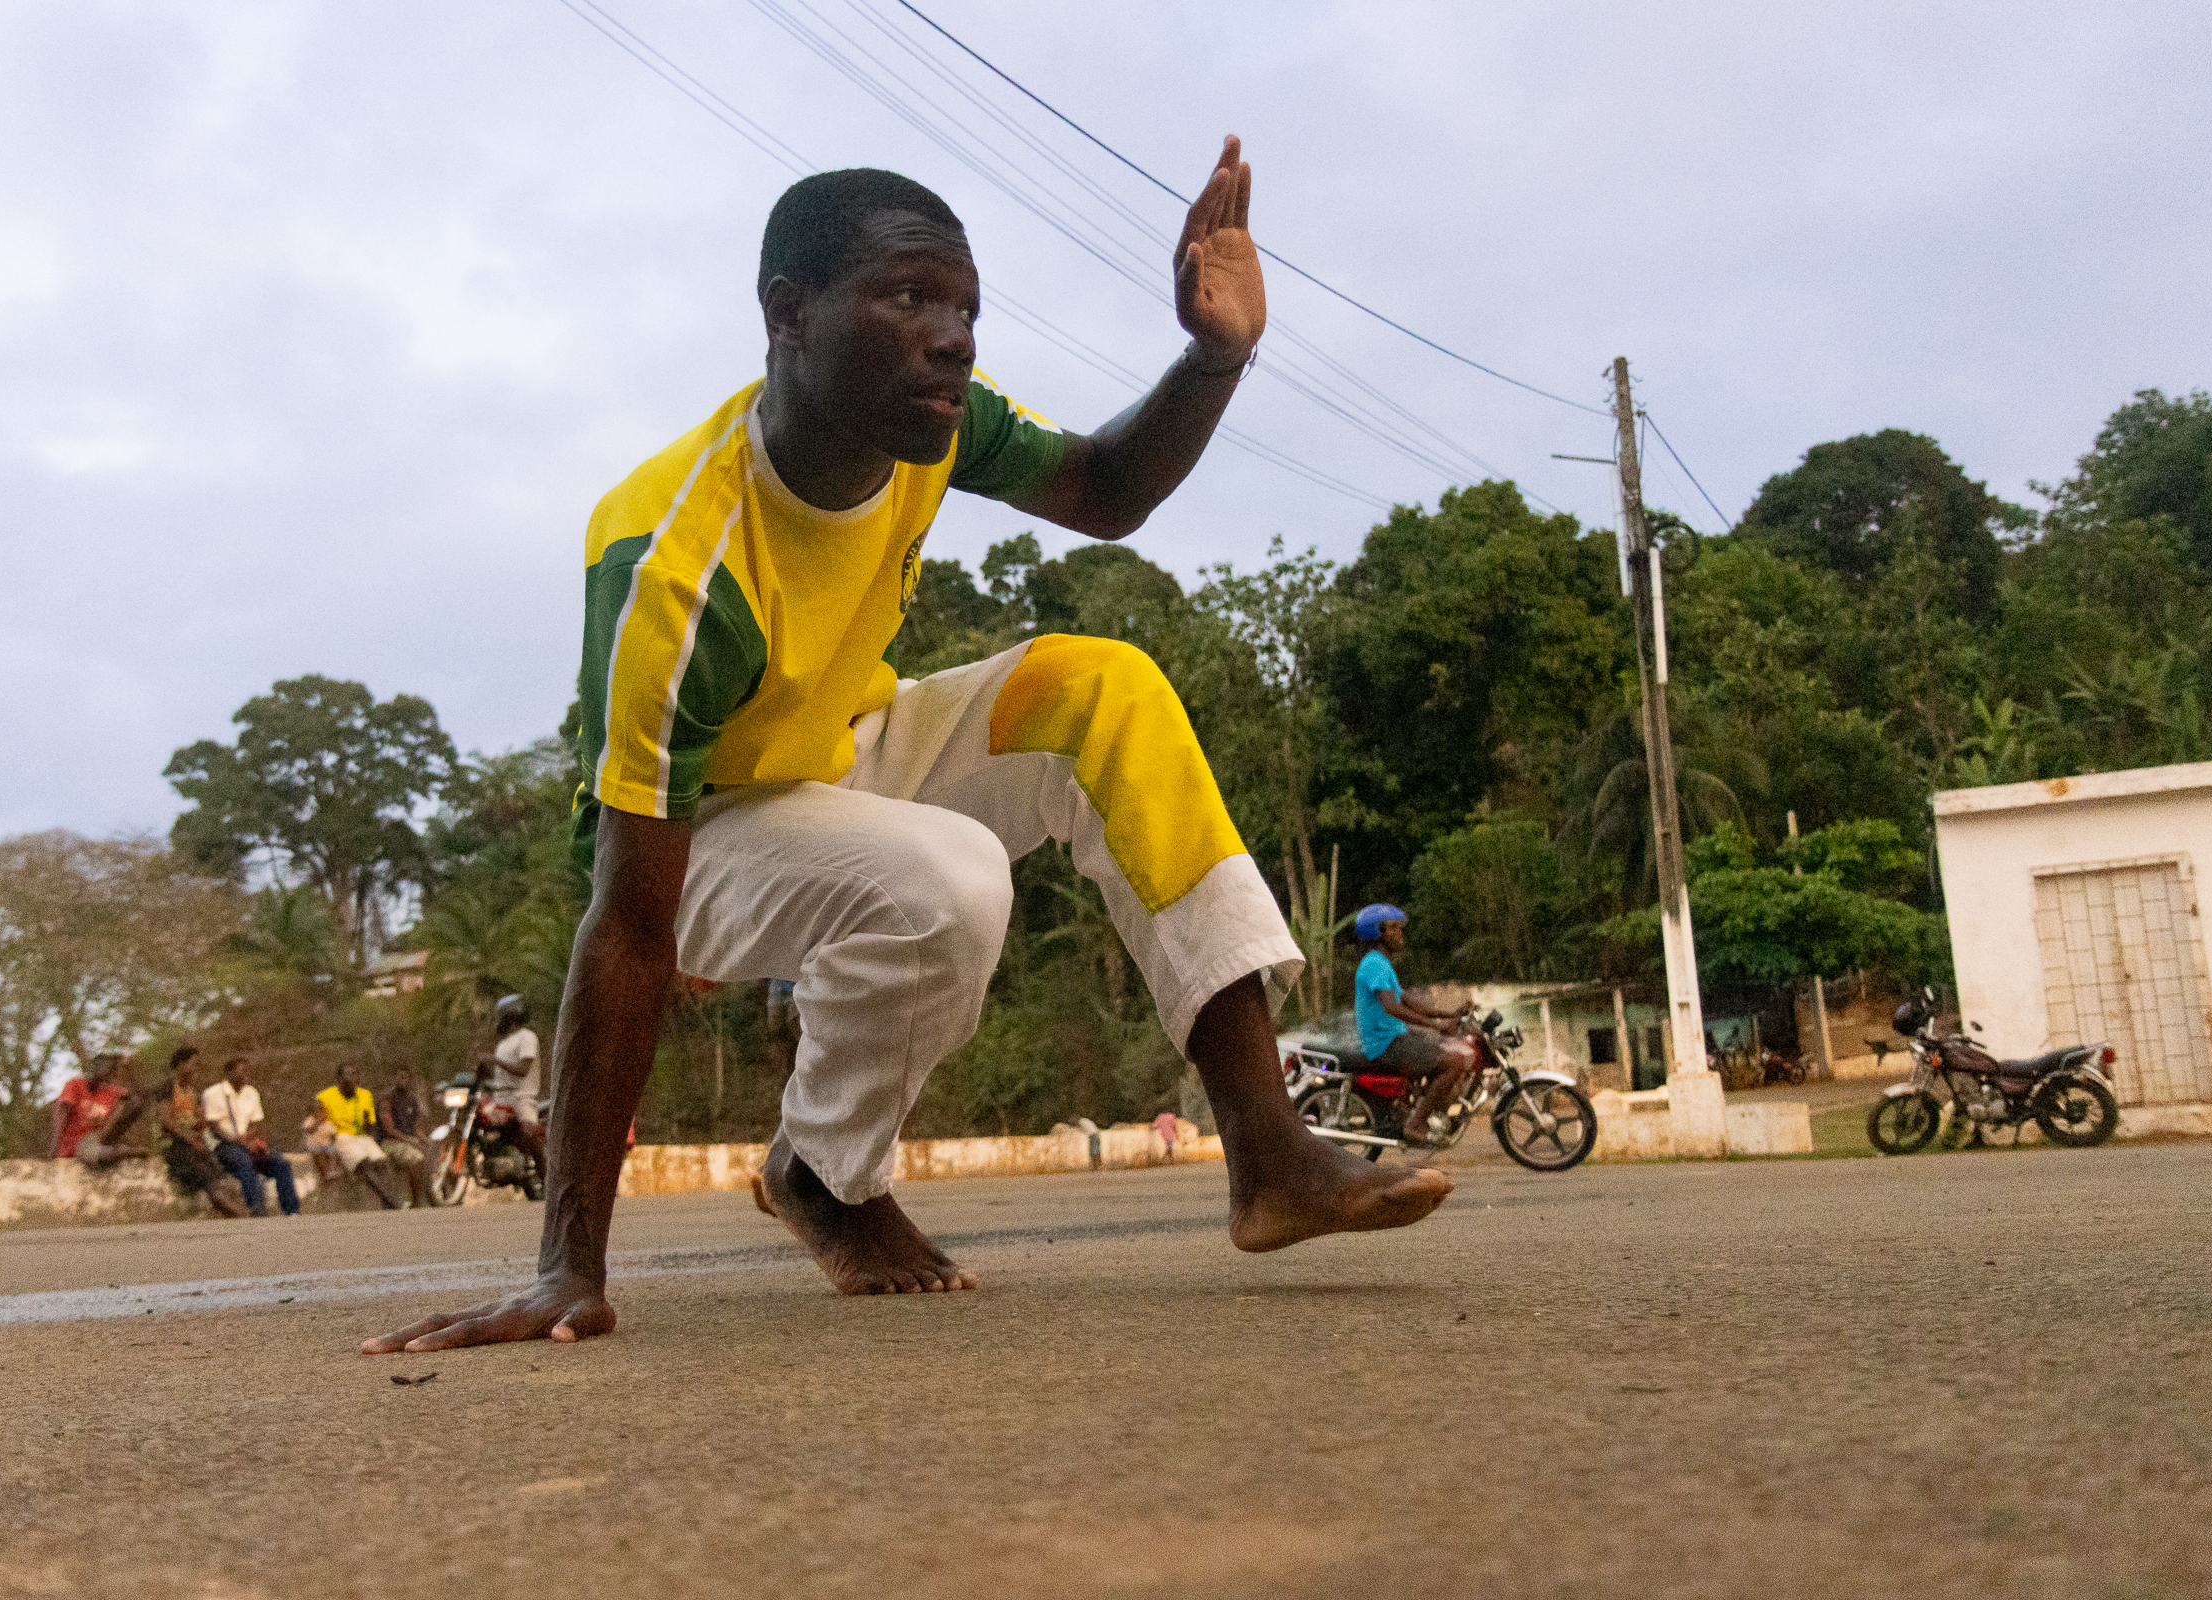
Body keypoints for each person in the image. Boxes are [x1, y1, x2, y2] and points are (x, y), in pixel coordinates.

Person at [366, 139, 1449, 1357]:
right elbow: (623, 922)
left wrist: (1215, 355)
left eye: (966, 308)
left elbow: (1106, 491)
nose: (953, 339)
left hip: (843, 750)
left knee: (1109, 689)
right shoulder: (675, 563)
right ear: (788, 313)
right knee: (949, 877)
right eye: (908, 298)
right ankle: (826, 1175)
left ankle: (1268, 1154)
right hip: (692, 840)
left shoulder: (934, 427)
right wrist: (567, 1265)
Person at [1348, 905, 1478, 1144]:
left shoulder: (1381, 963)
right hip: (1387, 1044)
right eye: (1393, 928)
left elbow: (1408, 1001)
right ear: (1377, 932)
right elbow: (1392, 1007)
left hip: (1393, 1040)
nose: (1400, 932)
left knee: (1443, 1050)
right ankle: (1416, 1123)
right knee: (1453, 1061)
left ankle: (1424, 1113)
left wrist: (1447, 1015)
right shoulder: (1375, 963)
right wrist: (1436, 1026)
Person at [202, 1056, 300, 1218]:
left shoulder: (251, 1092)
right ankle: (255, 1211)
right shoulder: (213, 1093)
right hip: (224, 1145)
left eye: (248, 1071)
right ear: (229, 1072)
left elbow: (257, 1123)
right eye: (242, 1071)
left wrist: (254, 1142)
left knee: (281, 1165)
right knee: (244, 1162)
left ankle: (292, 1211)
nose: (246, 1074)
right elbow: (214, 1128)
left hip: (247, 1143)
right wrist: (237, 1140)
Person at [158, 1045, 248, 1218]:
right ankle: (230, 1208)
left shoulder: (190, 1090)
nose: (195, 1069)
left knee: (216, 1163)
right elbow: (167, 1122)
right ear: (181, 1064)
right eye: (193, 1064)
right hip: (174, 1145)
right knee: (200, 1169)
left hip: (191, 1141)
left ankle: (231, 1206)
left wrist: (201, 1126)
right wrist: (191, 1139)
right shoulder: (168, 1087)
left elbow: (192, 1121)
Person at [317, 1064, 408, 1209]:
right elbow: (317, 1122)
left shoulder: (365, 1095)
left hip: (362, 1137)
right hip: (340, 1138)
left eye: (355, 1075)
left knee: (381, 1163)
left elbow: (371, 1127)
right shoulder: (325, 1096)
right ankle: (390, 1202)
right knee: (365, 1165)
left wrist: (367, 1125)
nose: (353, 1078)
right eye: (349, 1075)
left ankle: (391, 1200)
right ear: (339, 1078)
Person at [484, 995, 546, 1167]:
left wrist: (494, 1060)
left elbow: (523, 1070)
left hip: (521, 1097)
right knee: (482, 1124)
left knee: (528, 1133)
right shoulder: (503, 1044)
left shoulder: (527, 1037)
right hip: (502, 1099)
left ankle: (545, 1174)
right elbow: (501, 1074)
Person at [48, 1052, 131, 1159]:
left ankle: (117, 1152)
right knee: (90, 1151)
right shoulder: (75, 1085)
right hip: (74, 1149)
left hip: (96, 1143)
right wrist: (55, 1146)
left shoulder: (109, 1092)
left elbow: (129, 1096)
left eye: (107, 1070)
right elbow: (61, 1116)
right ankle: (118, 1153)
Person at [376, 1067, 435, 1207]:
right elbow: (389, 1130)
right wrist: (411, 1141)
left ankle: (436, 1198)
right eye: (401, 1077)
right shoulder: (387, 1099)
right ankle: (416, 1202)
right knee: (417, 1159)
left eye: (406, 1077)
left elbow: (415, 1128)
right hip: (390, 1143)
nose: (404, 1080)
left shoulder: (411, 1099)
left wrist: (425, 1141)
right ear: (394, 1078)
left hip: (408, 1141)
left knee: (433, 1155)